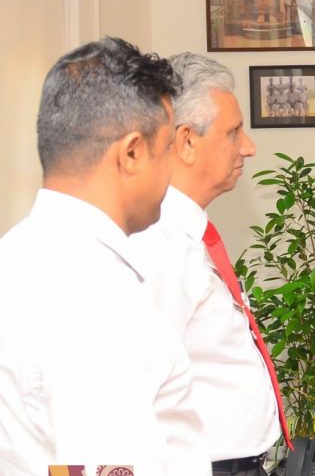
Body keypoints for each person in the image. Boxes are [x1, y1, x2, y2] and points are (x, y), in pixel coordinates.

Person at [0, 38, 208, 474]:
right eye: (166, 149)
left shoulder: (16, 257)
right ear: (131, 152)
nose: (171, 170)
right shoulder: (93, 299)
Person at [130, 53, 284, 476]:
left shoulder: (185, 235)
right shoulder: (157, 244)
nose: (248, 147)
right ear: (186, 142)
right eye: (233, 132)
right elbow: (134, 388)